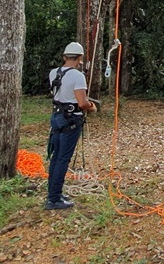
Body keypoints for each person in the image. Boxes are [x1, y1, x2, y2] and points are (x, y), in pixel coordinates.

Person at [46, 41, 96, 210]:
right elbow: (82, 102)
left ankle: (54, 193)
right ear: (80, 58)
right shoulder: (77, 76)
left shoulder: (54, 73)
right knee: (63, 158)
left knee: (56, 157)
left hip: (57, 117)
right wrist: (91, 107)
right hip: (71, 119)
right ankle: (54, 198)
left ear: (65, 57)